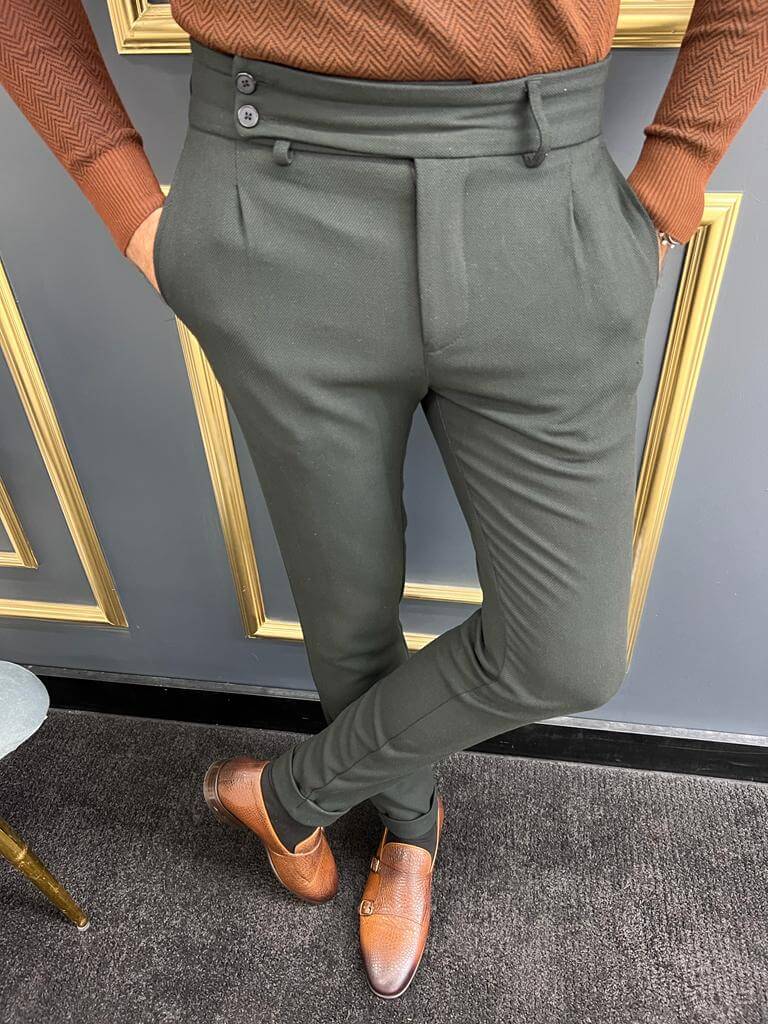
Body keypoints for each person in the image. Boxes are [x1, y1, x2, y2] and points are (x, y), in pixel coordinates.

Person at [2, 0, 766, 1001]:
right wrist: (134, 210)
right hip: (271, 203)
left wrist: (670, 182)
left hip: (544, 206)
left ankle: (289, 795)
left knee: (568, 652)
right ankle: (409, 835)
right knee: (345, 607)